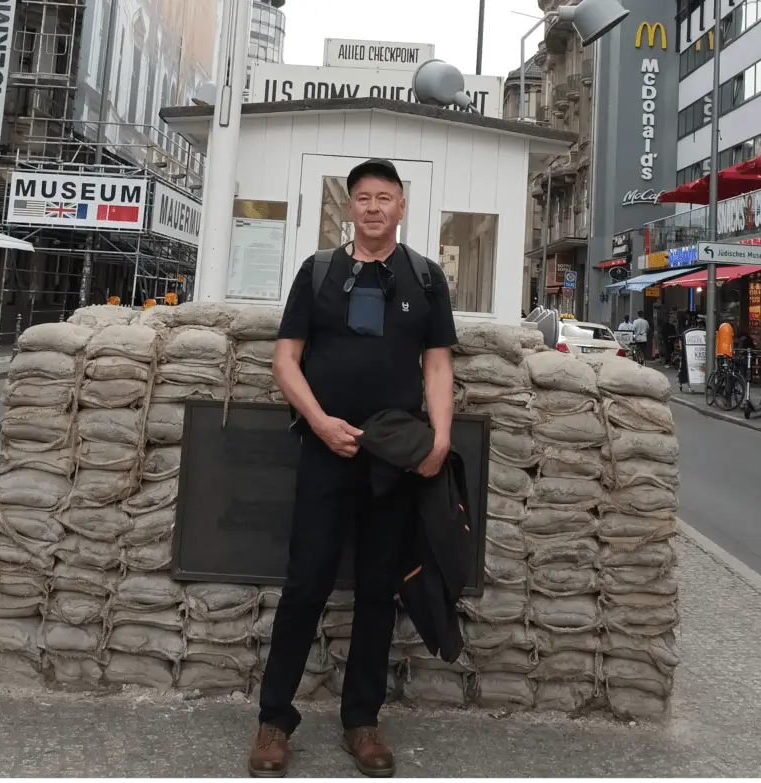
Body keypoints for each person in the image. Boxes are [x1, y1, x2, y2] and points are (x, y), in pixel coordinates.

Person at [251, 158, 456, 780]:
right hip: (325, 451)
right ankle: (274, 721)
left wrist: (440, 439)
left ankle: (362, 722)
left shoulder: (425, 278)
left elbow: (437, 364)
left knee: (377, 589)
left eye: (384, 198)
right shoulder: (318, 272)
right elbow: (285, 360)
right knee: (305, 585)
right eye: (363, 197)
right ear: (350, 207)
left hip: (394, 460)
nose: (373, 207)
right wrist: (318, 421)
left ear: (401, 207)